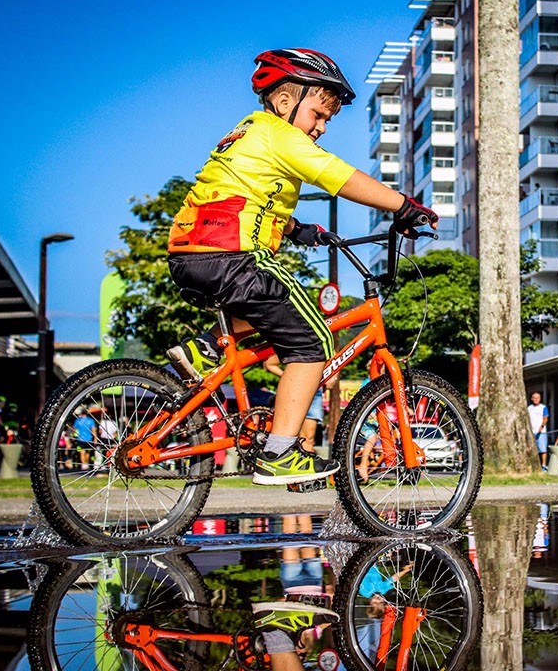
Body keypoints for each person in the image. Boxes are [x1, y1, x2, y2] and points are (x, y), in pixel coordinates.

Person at [162, 48, 437, 488]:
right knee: (314, 337)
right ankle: (280, 452)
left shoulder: (248, 132)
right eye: (318, 113)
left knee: (269, 311)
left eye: (327, 119)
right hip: (234, 255)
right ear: (286, 102)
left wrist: (296, 229)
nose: (322, 127)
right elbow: (340, 177)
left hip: (191, 254)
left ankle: (204, 350)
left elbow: (246, 191)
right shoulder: (281, 135)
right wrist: (405, 206)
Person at [527, 391, 550, 471]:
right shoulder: (529, 408)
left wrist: (542, 426)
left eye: (538, 398)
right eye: (535, 398)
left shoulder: (543, 407)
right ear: (532, 399)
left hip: (541, 432)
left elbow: (546, 418)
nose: (536, 399)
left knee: (542, 449)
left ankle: (543, 465)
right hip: (532, 431)